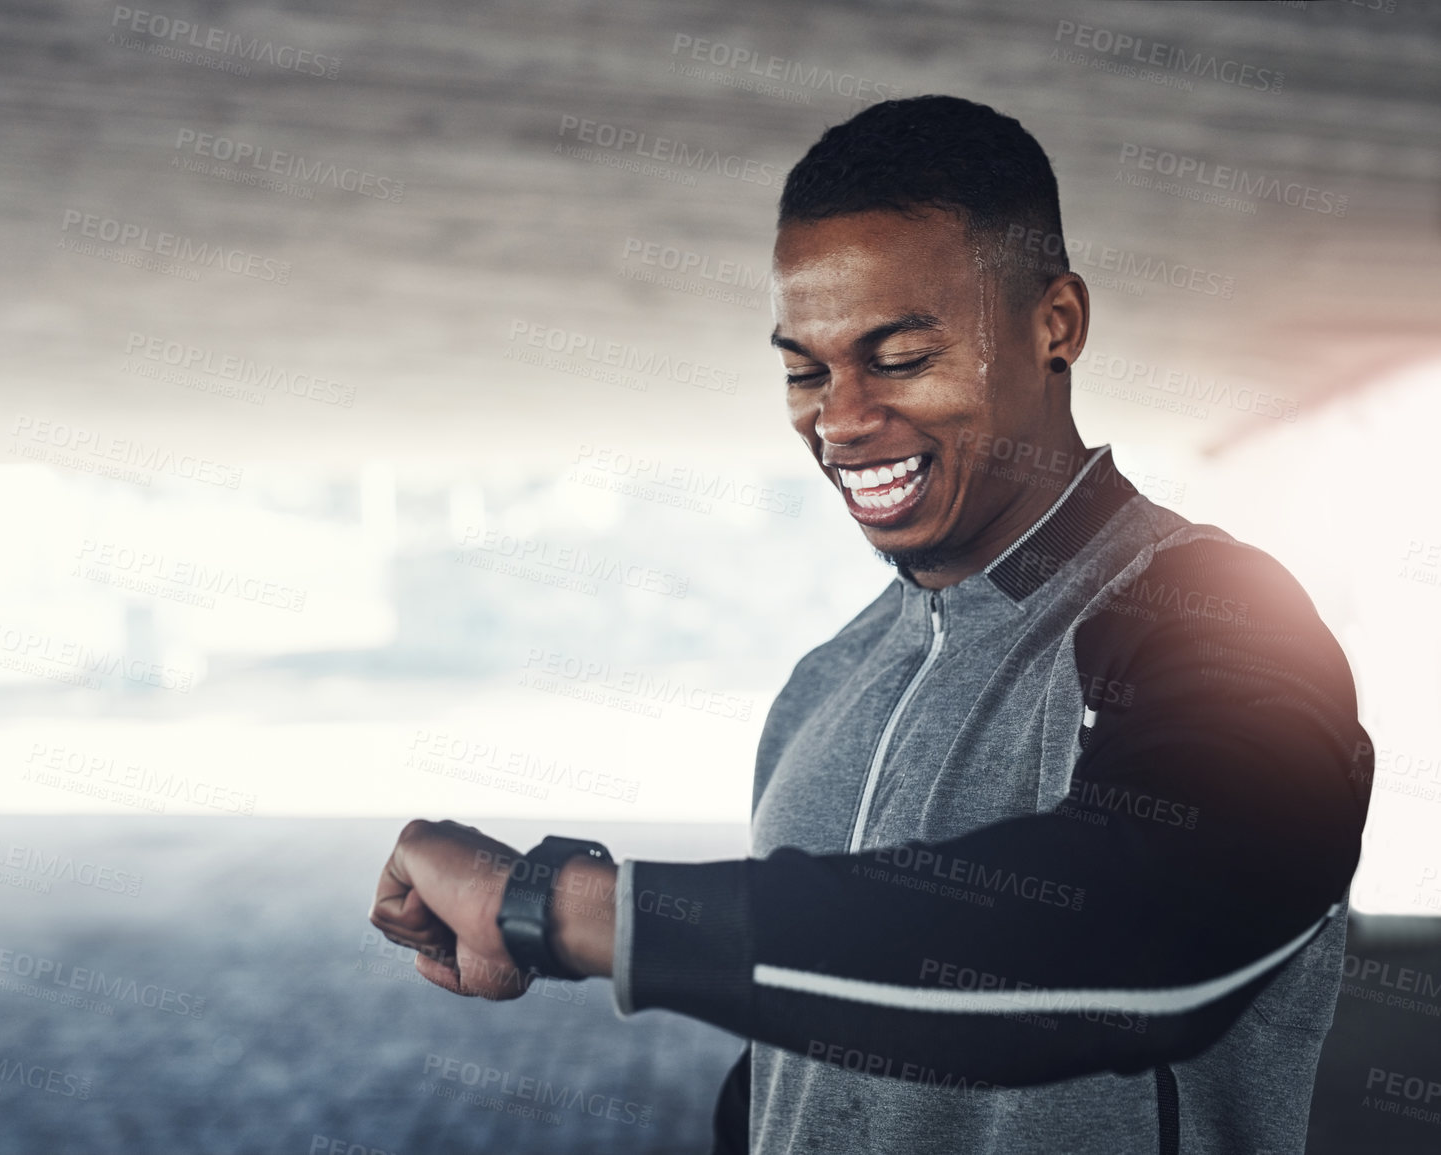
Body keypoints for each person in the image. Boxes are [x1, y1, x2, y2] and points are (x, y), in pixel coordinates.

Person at [369, 95, 1372, 1154]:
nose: (839, 420)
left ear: (1056, 325)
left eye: (898, 358)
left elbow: (1147, 947)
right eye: (805, 370)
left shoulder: (1219, 611)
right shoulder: (825, 680)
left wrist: (555, 908)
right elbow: (803, 1049)